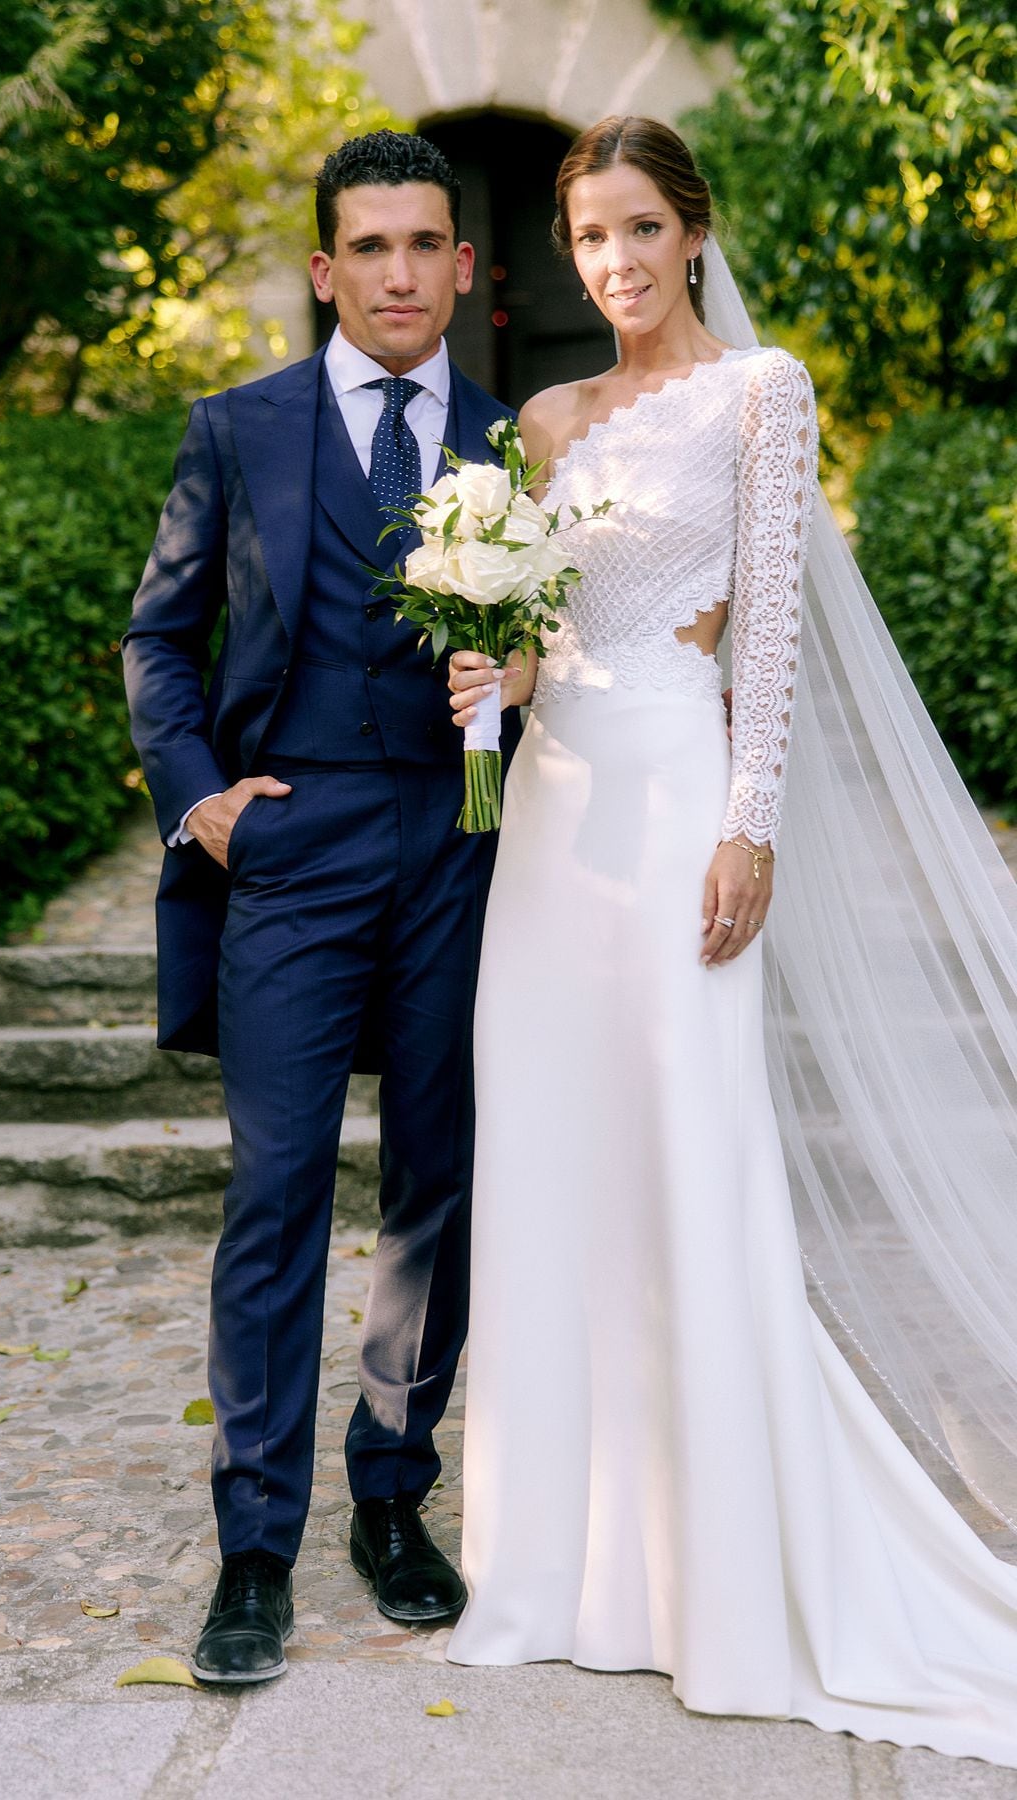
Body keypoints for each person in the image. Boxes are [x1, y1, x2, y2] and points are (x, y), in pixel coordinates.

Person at [445, 115, 1017, 1767]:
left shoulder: (760, 395)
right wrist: (492, 677)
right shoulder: (546, 419)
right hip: (550, 821)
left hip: (683, 783)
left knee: (694, 1151)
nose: (613, 262)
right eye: (588, 237)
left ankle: (727, 1583)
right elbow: (544, 640)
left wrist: (748, 820)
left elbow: (764, 624)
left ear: (693, 233)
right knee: (552, 1163)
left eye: (639, 229)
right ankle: (559, 1570)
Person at [123, 129, 523, 1684]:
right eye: (371, 247)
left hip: (458, 845)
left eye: (426, 244)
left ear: (465, 266)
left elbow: (561, 641)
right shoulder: (238, 429)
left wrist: (523, 691)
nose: (401, 272)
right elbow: (160, 639)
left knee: (436, 1180)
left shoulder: (513, 439)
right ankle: (253, 1544)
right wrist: (196, 795)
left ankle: (393, 1495)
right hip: (286, 843)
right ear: (324, 269)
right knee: (277, 1189)